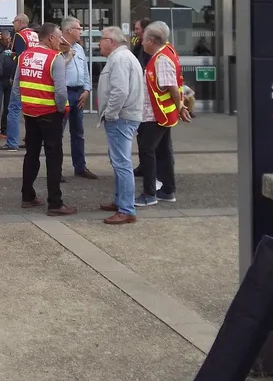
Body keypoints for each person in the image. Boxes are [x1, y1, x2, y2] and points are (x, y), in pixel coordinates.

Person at [15, 22, 76, 216]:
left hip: (30, 113)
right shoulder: (54, 58)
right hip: (50, 113)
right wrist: (61, 110)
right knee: (54, 158)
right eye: (59, 37)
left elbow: (16, 87)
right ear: (50, 38)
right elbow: (61, 92)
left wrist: (26, 104)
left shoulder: (24, 56)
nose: (60, 41)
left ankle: (27, 196)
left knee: (31, 155)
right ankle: (55, 203)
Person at [135, 21, 188, 207]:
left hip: (156, 115)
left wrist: (180, 107)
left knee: (147, 151)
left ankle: (149, 194)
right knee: (163, 152)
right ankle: (167, 190)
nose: (141, 43)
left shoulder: (161, 59)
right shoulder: (163, 54)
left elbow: (171, 86)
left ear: (151, 41)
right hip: (160, 114)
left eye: (144, 40)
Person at [95, 27, 145, 226]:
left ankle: (126, 209)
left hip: (121, 118)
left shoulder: (119, 59)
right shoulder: (123, 57)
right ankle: (120, 202)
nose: (99, 42)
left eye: (102, 39)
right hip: (125, 116)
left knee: (122, 163)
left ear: (112, 41)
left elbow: (120, 91)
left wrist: (110, 114)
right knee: (118, 161)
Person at [60, 18, 98, 180]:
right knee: (58, 133)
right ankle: (56, 170)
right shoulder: (57, 46)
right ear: (69, 30)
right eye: (78, 28)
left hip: (79, 92)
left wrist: (87, 89)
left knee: (78, 132)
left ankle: (80, 167)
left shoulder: (79, 48)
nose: (81, 31)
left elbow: (85, 71)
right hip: (64, 93)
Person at [0, 14, 39, 151]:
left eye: (14, 21)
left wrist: (13, 75)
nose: (13, 24)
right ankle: (31, 140)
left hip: (23, 74)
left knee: (14, 108)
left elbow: (20, 56)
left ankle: (12, 143)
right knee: (30, 109)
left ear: (20, 22)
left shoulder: (20, 35)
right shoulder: (34, 35)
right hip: (35, 73)